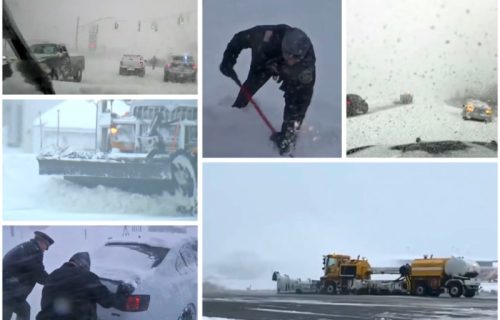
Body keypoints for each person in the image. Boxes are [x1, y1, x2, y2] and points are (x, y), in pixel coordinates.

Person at [219, 24, 316, 154]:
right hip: (264, 61)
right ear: (283, 46)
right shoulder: (266, 35)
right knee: (249, 88)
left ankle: (287, 137)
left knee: (294, 103)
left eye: (295, 58)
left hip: (292, 74)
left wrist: (288, 137)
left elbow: (300, 102)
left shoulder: (306, 65)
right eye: (288, 54)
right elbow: (239, 39)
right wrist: (228, 59)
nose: (291, 59)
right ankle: (235, 116)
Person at [36, 252, 134, 320]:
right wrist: (122, 293)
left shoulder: (53, 274)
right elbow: (107, 301)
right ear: (84, 265)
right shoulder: (87, 277)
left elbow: (46, 301)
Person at [3, 231, 55, 320]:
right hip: (9, 293)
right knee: (11, 312)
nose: (44, 250)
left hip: (9, 290)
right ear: (41, 242)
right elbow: (39, 274)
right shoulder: (32, 251)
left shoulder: (25, 247)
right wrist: (56, 280)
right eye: (45, 247)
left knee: (23, 310)